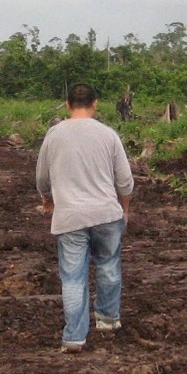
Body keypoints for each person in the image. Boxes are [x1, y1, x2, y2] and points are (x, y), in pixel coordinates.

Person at [35, 83, 135, 353]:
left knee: (73, 278)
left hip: (69, 217)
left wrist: (47, 199)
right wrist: (124, 209)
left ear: (67, 104)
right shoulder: (108, 135)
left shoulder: (54, 135)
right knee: (108, 266)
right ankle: (107, 318)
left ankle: (74, 337)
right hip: (106, 214)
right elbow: (125, 181)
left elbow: (42, 178)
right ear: (95, 104)